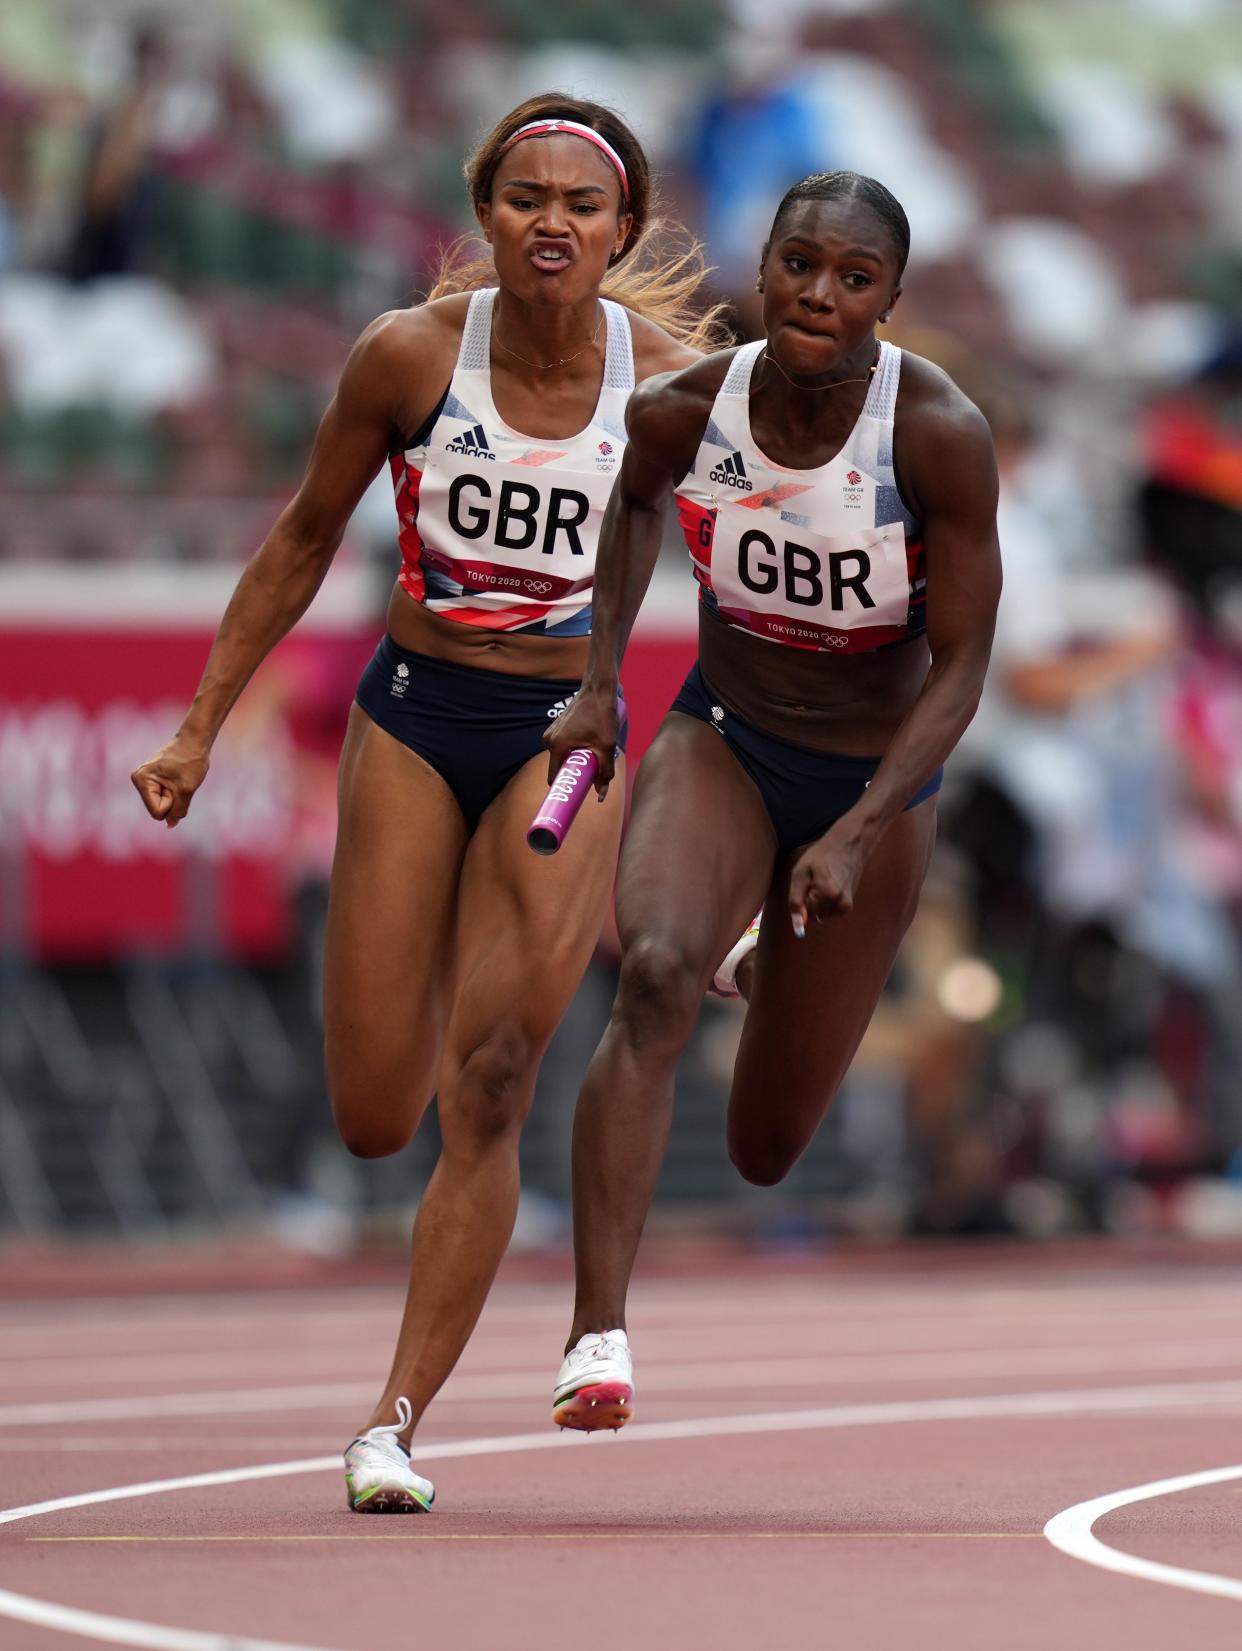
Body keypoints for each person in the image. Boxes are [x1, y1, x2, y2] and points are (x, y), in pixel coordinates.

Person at [131, 93, 721, 1510]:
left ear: (621, 226)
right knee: (374, 1109)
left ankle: (391, 1421)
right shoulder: (405, 357)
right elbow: (297, 540)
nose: (552, 225)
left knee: (498, 1075)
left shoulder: (675, 387)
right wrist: (200, 722)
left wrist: (744, 817)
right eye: (525, 198)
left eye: (581, 205)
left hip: (565, 731)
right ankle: (442, 955)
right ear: (483, 212)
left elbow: (748, 589)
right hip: (414, 715)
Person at [543, 170, 1002, 1431]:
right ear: (765, 265)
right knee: (651, 974)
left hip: (876, 780)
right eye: (801, 264)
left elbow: (962, 663)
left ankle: (772, 937)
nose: (820, 295)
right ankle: (597, 1333)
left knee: (764, 1145)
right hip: (725, 738)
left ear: (889, 302)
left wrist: (860, 829)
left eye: (855, 279)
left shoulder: (938, 433)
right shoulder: (688, 405)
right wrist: (597, 680)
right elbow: (633, 505)